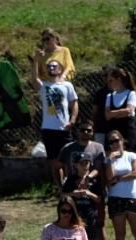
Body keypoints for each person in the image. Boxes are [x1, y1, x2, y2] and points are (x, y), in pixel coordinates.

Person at [32, 56, 78, 185]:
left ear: (60, 69)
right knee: (55, 162)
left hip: (64, 128)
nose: (51, 68)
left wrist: (73, 120)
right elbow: (34, 79)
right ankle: (60, 189)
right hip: (48, 128)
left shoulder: (67, 85)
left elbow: (74, 103)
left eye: (54, 66)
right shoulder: (44, 86)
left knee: (68, 160)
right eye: (49, 66)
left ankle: (71, 186)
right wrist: (36, 61)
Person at [62, 154, 105, 240]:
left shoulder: (95, 180)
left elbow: (100, 199)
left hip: (90, 214)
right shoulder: (71, 179)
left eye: (87, 163)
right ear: (76, 165)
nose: (85, 166)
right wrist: (73, 194)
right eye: (81, 163)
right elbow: (62, 195)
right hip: (75, 214)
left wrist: (88, 193)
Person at [102, 67, 136, 149]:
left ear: (118, 79)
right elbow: (107, 115)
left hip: (128, 133)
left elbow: (128, 111)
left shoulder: (131, 94)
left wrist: (113, 114)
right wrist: (121, 113)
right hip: (112, 133)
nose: (109, 83)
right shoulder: (109, 96)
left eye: (111, 80)